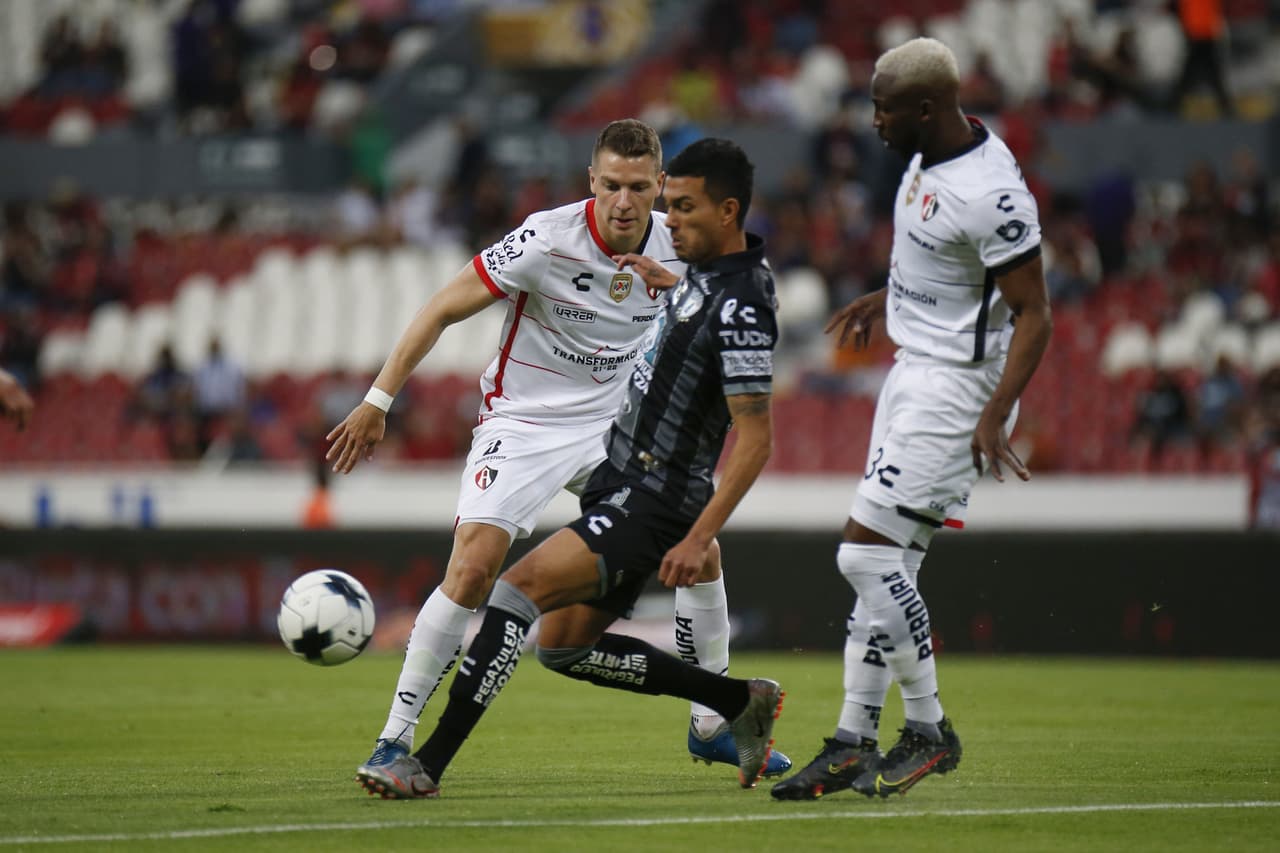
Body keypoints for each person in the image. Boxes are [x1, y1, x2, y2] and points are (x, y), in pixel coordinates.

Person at [326, 120, 789, 790]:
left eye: (638, 187)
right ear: (591, 184)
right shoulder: (547, 239)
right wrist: (378, 398)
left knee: (701, 550)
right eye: (610, 186)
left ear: (658, 186)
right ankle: (395, 739)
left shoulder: (680, 240)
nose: (624, 201)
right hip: (526, 422)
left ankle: (713, 722)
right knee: (476, 567)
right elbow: (441, 308)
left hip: (614, 428)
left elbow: (729, 299)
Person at [770, 37, 1052, 802]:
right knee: (888, 569)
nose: (872, 120)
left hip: (958, 389)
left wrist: (995, 413)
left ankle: (929, 728)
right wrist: (885, 298)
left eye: (882, 108)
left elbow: (1034, 312)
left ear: (925, 109)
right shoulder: (930, 153)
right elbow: (940, 261)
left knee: (864, 559)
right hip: (912, 371)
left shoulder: (991, 194)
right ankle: (853, 742)